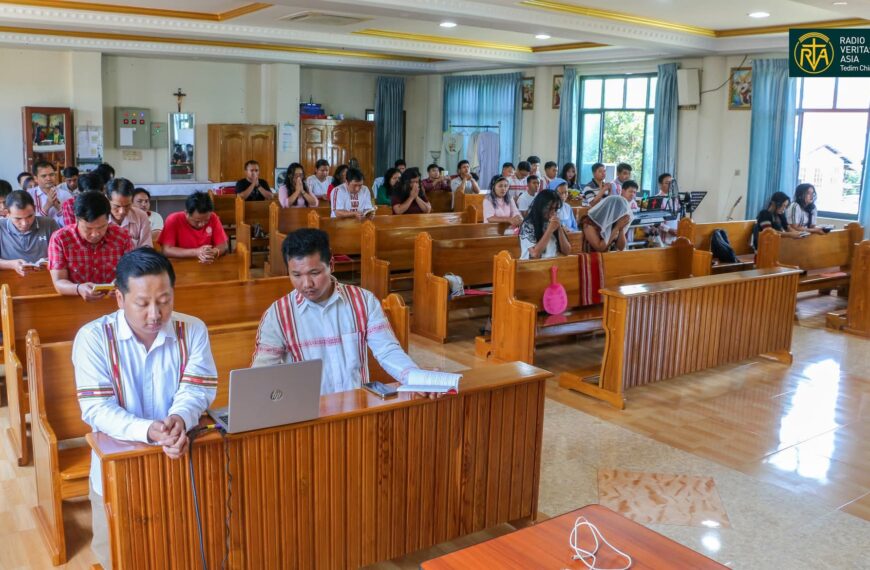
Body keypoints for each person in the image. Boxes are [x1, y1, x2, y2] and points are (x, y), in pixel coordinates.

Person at [73, 248, 218, 570]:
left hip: (180, 459)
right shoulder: (94, 338)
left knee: (183, 550)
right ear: (119, 298)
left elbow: (197, 388)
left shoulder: (192, 329)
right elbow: (96, 408)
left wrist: (179, 417)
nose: (155, 314)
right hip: (119, 468)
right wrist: (148, 430)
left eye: (165, 300)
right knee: (120, 556)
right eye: (142, 303)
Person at [251, 228, 422, 395]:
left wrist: (418, 379)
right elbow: (261, 373)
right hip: (309, 410)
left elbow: (387, 351)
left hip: (356, 406)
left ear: (331, 265)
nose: (307, 284)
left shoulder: (363, 301)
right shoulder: (278, 315)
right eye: (296, 275)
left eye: (314, 273)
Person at [48, 192, 134, 299]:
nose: (95, 234)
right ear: (76, 219)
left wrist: (121, 284)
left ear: (108, 218)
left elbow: (132, 274)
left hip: (114, 301)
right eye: (88, 228)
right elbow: (59, 282)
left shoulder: (122, 236)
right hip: (76, 302)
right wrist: (78, 288)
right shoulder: (60, 239)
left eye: (101, 227)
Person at [158, 191, 229, 262]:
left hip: (207, 264)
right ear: (186, 213)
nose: (202, 224)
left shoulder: (213, 217)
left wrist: (214, 252)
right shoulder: (174, 220)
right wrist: (196, 252)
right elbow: (166, 250)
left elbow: (223, 246)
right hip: (181, 264)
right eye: (197, 221)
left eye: (206, 220)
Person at [0, 190, 59, 274]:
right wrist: (11, 264)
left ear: (34, 209)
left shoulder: (49, 224)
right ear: (7, 213)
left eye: (30, 216)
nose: (24, 223)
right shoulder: (1, 227)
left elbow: (62, 254)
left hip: (45, 276)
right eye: (18, 218)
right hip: (10, 279)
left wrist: (47, 261)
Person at [519, 191, 572, 260]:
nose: (553, 212)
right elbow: (535, 254)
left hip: (552, 263)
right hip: (532, 265)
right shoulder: (528, 225)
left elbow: (567, 251)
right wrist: (550, 230)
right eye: (550, 208)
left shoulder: (554, 222)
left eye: (555, 209)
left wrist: (559, 228)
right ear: (540, 206)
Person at [107, 178, 152, 249]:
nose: (122, 211)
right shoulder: (99, 218)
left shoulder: (141, 216)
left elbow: (146, 248)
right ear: (107, 200)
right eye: (117, 206)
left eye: (127, 206)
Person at [29, 160, 73, 226]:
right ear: (35, 178)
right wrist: (47, 205)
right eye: (44, 176)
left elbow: (71, 224)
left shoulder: (65, 195)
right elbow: (30, 223)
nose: (49, 178)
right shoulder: (29, 195)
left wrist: (58, 206)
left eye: (52, 175)